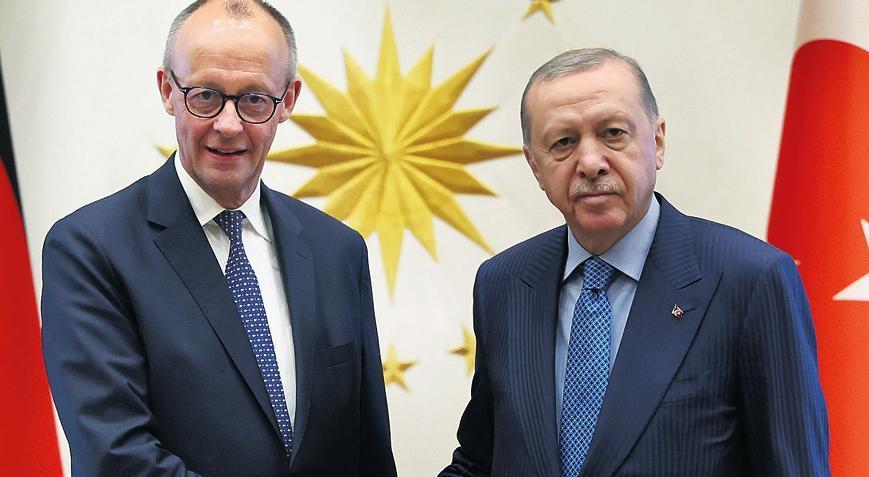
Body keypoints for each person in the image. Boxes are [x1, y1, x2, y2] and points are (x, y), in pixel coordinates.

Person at [41, 1, 396, 475]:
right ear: (168, 90)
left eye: (254, 99)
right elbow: (117, 456)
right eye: (206, 96)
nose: (228, 125)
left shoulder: (337, 251)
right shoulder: (90, 250)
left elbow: (367, 452)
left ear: (288, 100)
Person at [441, 48, 829, 476]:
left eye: (612, 133)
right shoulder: (504, 284)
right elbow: (480, 462)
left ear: (657, 143)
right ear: (535, 165)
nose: (590, 163)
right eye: (563, 142)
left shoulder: (750, 280)